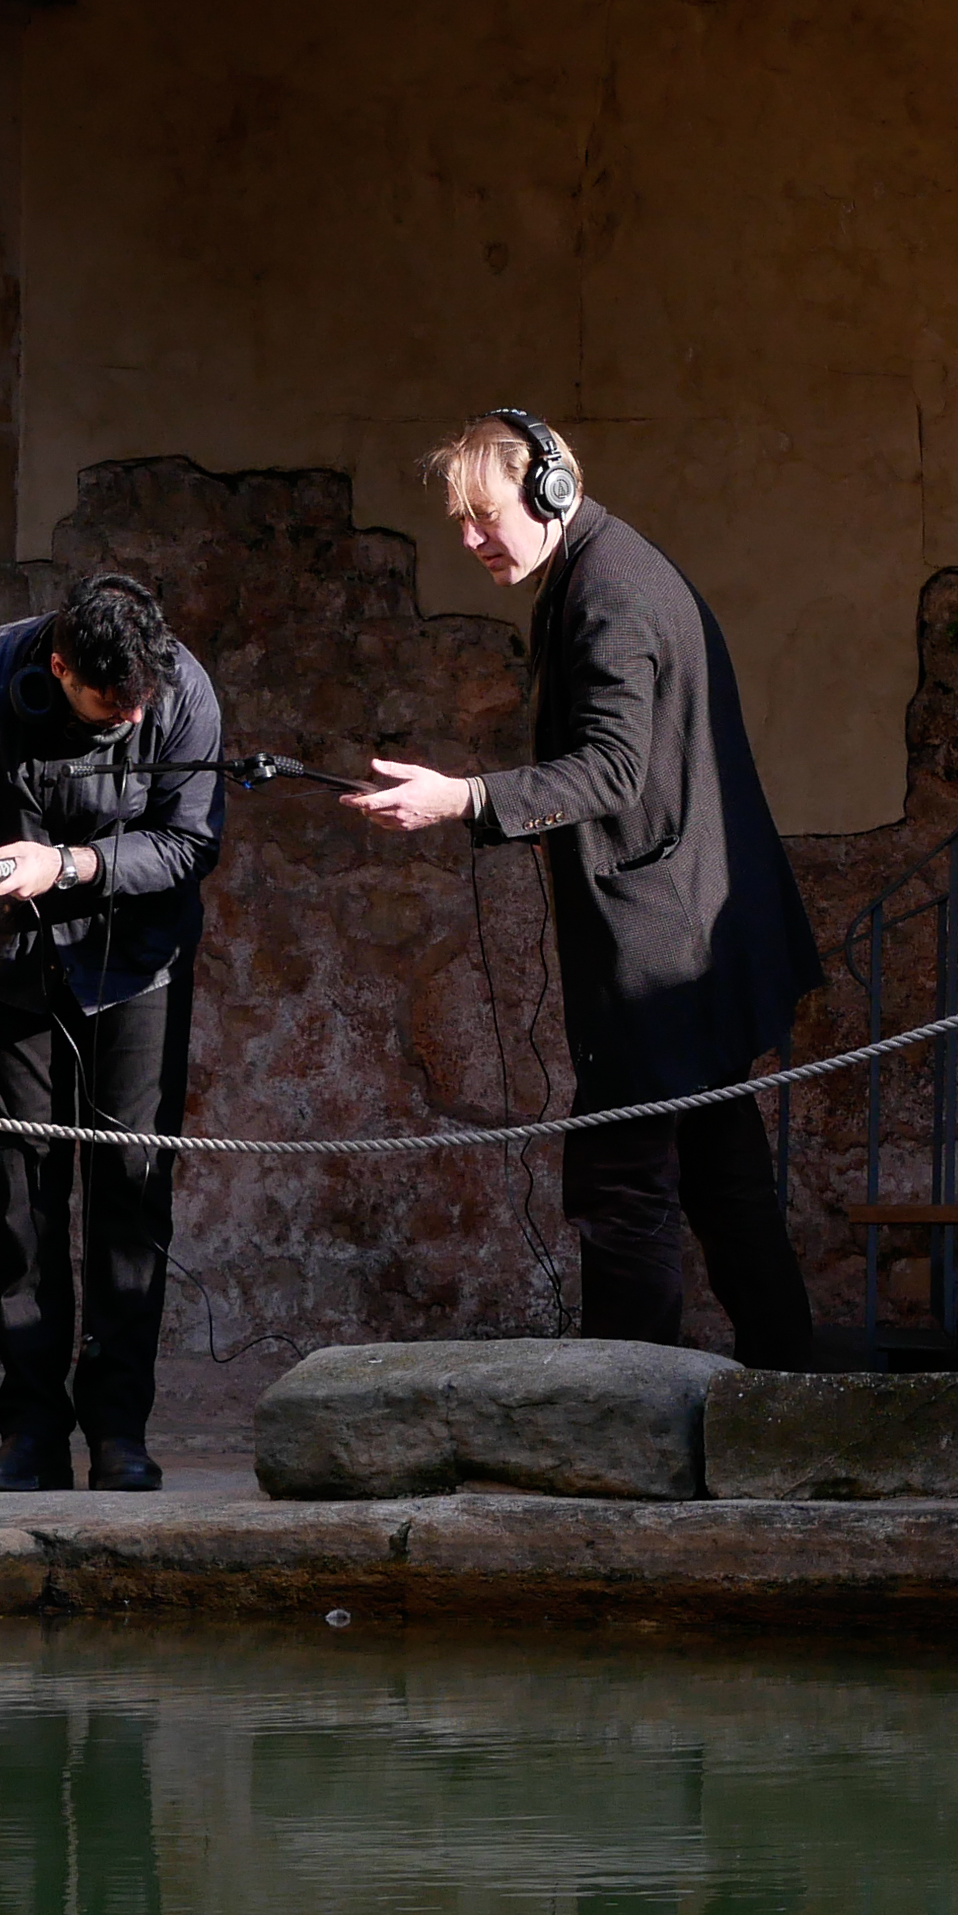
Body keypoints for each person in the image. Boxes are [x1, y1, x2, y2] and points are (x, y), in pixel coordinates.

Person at [345, 410, 821, 1366]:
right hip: (682, 931)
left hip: (662, 947)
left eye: (485, 515)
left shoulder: (611, 593)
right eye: (461, 522)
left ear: (550, 489)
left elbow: (612, 771)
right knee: (724, 1183)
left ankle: (622, 1416)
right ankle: (796, 1394)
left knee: (624, 1188)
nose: (472, 539)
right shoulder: (600, 569)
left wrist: (464, 798)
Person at [0, 573, 225, 1492]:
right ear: (59, 666)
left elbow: (189, 843)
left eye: (140, 705)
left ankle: (120, 1431)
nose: (129, 717)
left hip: (139, 969)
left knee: (131, 1196)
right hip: (10, 967)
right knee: (19, 1203)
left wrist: (70, 863)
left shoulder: (184, 691)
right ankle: (31, 1433)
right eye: (107, 704)